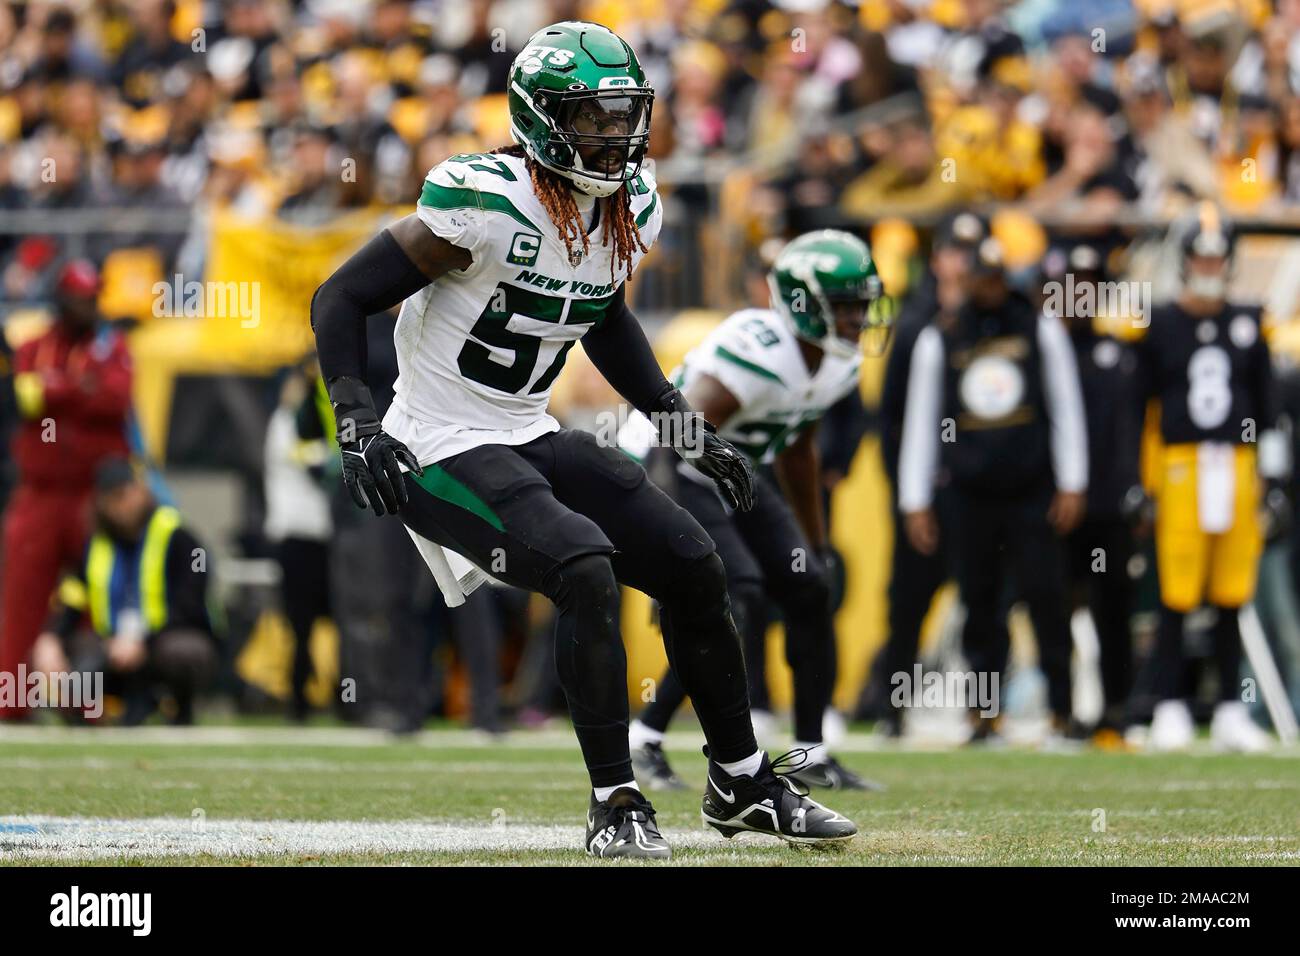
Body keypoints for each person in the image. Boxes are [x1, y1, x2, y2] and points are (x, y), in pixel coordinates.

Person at [309, 21, 855, 858]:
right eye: (591, 117)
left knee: (694, 561)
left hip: (526, 429)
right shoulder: (480, 203)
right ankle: (615, 800)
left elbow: (600, 316)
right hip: (435, 443)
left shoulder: (628, 204)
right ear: (540, 120)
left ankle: (741, 779)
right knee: (583, 566)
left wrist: (684, 425)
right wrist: (356, 422)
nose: (613, 136)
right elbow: (339, 298)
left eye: (621, 115)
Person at [624, 230, 890, 791]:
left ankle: (811, 751)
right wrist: (675, 546)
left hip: (736, 472)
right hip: (675, 466)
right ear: (803, 305)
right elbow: (678, 437)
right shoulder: (756, 349)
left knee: (810, 587)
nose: (858, 319)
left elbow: (797, 450)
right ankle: (645, 737)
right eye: (845, 306)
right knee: (734, 596)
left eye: (861, 305)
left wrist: (813, 543)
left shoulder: (836, 363)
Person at [898, 235, 1089, 743]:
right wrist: (915, 498)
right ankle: (984, 715)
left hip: (1030, 487)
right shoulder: (942, 336)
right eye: (977, 278)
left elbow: (1065, 405)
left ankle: (1062, 711)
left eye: (993, 277)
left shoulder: (1037, 326)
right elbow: (922, 420)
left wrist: (1072, 481)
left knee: (1047, 598)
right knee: (978, 604)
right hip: (968, 490)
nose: (986, 288)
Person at [1132, 204, 1284, 752]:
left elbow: (1267, 410)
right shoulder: (1162, 325)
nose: (1209, 264)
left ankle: (1228, 710)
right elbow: (1141, 409)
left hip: (1238, 466)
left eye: (1218, 255)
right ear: (1183, 259)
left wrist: (1275, 475)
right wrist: (1140, 482)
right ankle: (1169, 704)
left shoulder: (1248, 319)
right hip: (1181, 464)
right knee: (1176, 592)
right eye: (1201, 253)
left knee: (1230, 591)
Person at [0, 260, 132, 721]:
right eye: (81, 297)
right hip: (39, 492)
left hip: (92, 498)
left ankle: (91, 705)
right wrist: (79, 388)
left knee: (99, 597)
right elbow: (20, 395)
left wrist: (56, 390)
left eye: (94, 297)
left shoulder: (111, 345)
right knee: (22, 597)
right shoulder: (34, 346)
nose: (89, 306)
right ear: (62, 299)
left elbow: (115, 397)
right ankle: (12, 703)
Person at [31, 458, 217, 725]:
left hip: (161, 643)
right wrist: (50, 638)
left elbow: (191, 603)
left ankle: (178, 706)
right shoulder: (95, 545)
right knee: (76, 657)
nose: (122, 506)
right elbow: (72, 596)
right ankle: (87, 712)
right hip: (113, 646)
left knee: (184, 651)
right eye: (113, 498)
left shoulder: (180, 538)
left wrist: (143, 640)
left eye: (125, 494)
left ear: (141, 491)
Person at [1049, 245, 1143, 745]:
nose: (1081, 296)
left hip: (1109, 506)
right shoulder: (1045, 352)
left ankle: (1114, 710)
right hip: (1058, 508)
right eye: (1073, 284)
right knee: (1055, 609)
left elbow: (1132, 431)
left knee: (1112, 609)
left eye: (1091, 285)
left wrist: (1136, 490)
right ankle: (1062, 712)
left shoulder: (1120, 354)